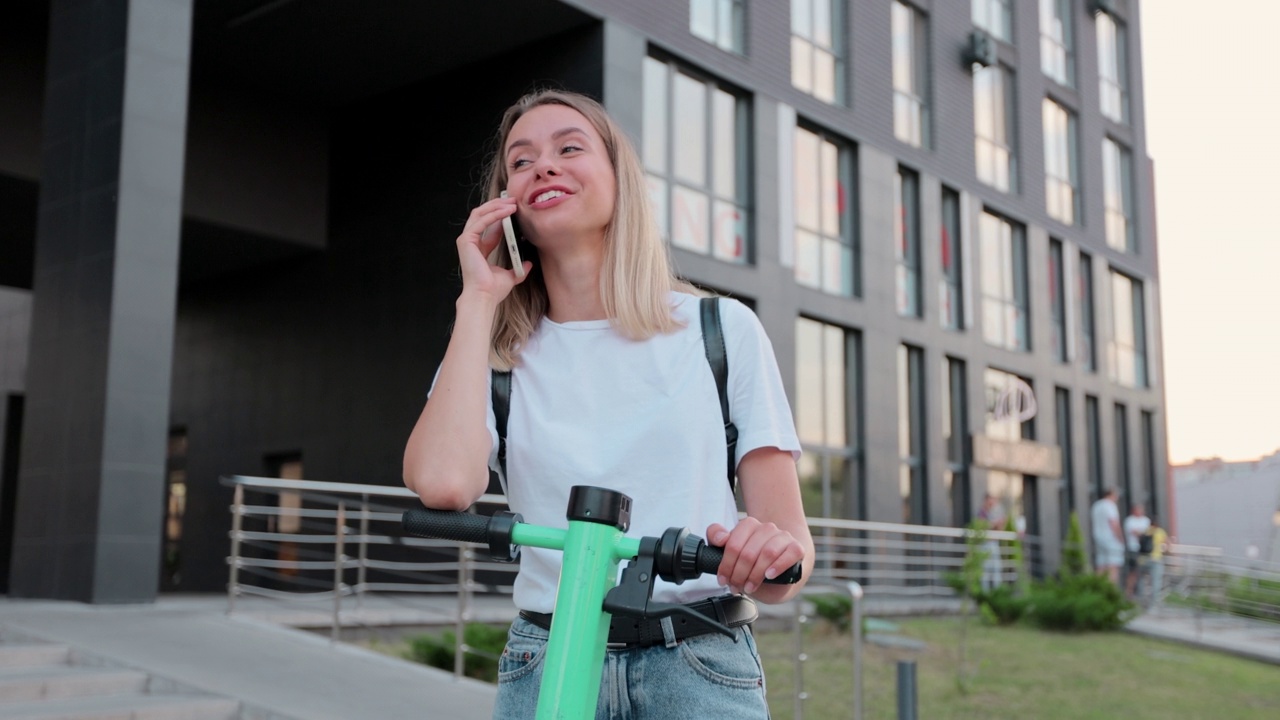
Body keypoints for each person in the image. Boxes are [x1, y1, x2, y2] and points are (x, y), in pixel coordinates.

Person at [402, 89, 814, 719]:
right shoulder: (492, 350)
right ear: (507, 203)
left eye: (570, 148)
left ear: (619, 179)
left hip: (699, 664)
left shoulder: (718, 329)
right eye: (521, 161)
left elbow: (792, 557)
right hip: (550, 659)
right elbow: (442, 485)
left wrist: (769, 554)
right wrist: (478, 300)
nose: (543, 166)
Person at [1090, 488, 1124, 585]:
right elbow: (1113, 523)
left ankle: (1098, 588)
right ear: (1110, 495)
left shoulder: (1096, 505)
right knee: (1113, 565)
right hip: (1111, 538)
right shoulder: (1110, 505)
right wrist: (1120, 537)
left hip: (1098, 538)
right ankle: (1111, 589)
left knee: (1101, 565)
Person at [976, 493, 1007, 592]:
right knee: (985, 569)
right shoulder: (981, 513)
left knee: (996, 569)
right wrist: (994, 523)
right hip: (984, 544)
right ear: (986, 501)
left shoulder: (994, 513)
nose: (992, 503)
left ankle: (996, 592)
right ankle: (985, 592)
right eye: (990, 501)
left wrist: (1001, 524)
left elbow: (1000, 530)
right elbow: (981, 526)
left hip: (994, 543)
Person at [1136, 515, 1169, 609]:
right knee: (1155, 581)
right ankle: (1154, 604)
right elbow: (1167, 543)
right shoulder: (1160, 531)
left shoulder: (1146, 531)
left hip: (1142, 559)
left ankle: (1141, 600)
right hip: (1155, 559)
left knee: (1141, 580)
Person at [1122, 503, 1151, 599]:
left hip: (1145, 550)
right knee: (1133, 570)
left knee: (1143, 570)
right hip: (1133, 549)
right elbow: (1136, 533)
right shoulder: (1130, 521)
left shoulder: (1146, 520)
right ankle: (1129, 592)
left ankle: (1142, 591)